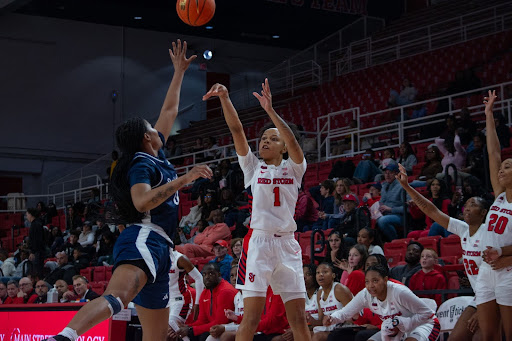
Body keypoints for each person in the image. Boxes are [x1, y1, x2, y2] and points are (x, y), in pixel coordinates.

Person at [43, 40, 213, 341]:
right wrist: (184, 180)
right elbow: (142, 199)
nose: (161, 129)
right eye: (153, 127)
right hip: (144, 237)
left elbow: (170, 109)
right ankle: (63, 338)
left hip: (162, 249)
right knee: (117, 298)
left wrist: (179, 72)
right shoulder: (140, 162)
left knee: (156, 337)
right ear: (147, 136)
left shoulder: (154, 154)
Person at [202, 78, 310, 341]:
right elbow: (237, 131)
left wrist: (270, 111)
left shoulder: (295, 167)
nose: (265, 141)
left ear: (284, 146)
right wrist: (226, 98)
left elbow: (294, 143)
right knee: (250, 319)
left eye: (273, 139)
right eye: (263, 138)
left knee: (298, 320)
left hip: (287, 244)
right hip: (259, 244)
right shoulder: (253, 168)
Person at [396, 161, 491, 341]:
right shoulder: (463, 229)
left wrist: (485, 309)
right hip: (479, 296)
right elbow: (431, 210)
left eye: (473, 204)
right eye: (467, 204)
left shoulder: (489, 233)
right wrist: (407, 187)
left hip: (495, 295)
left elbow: (496, 272)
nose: (468, 207)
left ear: (484, 212)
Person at [474, 90, 512, 341]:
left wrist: (505, 256)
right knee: (488, 336)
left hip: (508, 269)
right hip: (487, 270)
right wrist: (488, 115)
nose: (501, 169)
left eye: (508, 167)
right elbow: (493, 153)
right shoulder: (499, 194)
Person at [324, 265, 440, 341]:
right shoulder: (366, 294)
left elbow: (427, 314)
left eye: (375, 281)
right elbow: (345, 312)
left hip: (425, 324)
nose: (370, 286)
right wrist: (332, 318)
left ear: (385, 280)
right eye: (367, 282)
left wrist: (404, 323)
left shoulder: (399, 292)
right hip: (397, 327)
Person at [171, 263, 237, 341]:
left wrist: (191, 330)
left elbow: (220, 322)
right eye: (204, 274)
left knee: (204, 337)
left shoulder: (225, 291)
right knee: (177, 336)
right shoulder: (204, 293)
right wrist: (187, 327)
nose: (207, 277)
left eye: (211, 274)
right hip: (213, 328)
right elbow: (202, 321)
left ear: (219, 275)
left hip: (227, 328)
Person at [308, 263, 353, 341]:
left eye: (325, 272)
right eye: (318, 273)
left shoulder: (339, 289)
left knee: (318, 337)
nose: (320, 275)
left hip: (345, 327)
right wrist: (311, 320)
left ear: (333, 275)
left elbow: (352, 316)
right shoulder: (319, 293)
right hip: (331, 328)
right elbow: (321, 320)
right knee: (305, 335)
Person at [168, 250, 204, 341]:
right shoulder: (155, 257)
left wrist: (197, 303)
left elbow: (199, 278)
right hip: (165, 300)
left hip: (181, 299)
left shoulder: (180, 258)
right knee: (166, 332)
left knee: (171, 322)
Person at [376, 162, 408, 242]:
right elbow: (381, 202)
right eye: (385, 173)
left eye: (390, 173)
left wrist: (390, 209)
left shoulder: (402, 186)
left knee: (382, 220)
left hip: (399, 216)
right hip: (384, 214)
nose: (387, 175)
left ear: (396, 174)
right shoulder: (384, 186)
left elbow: (407, 208)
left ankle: (395, 241)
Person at [26, 207, 45, 277]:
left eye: (27, 214)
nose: (26, 216)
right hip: (37, 252)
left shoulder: (35, 225)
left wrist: (33, 252)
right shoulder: (36, 224)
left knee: (36, 272)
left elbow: (36, 240)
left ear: (31, 214)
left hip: (37, 253)